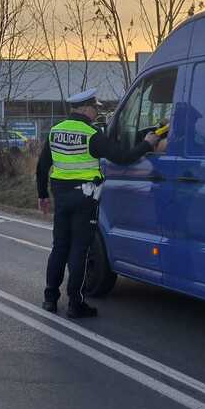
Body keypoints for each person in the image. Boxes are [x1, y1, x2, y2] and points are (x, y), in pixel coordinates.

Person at [36, 89, 161, 318]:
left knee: (59, 248)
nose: (97, 112)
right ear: (85, 108)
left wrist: (42, 195)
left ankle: (50, 299)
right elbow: (123, 158)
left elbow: (42, 166)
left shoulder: (56, 131)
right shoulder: (91, 134)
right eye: (95, 108)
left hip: (61, 198)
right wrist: (147, 144)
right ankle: (76, 304)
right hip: (85, 198)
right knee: (80, 251)